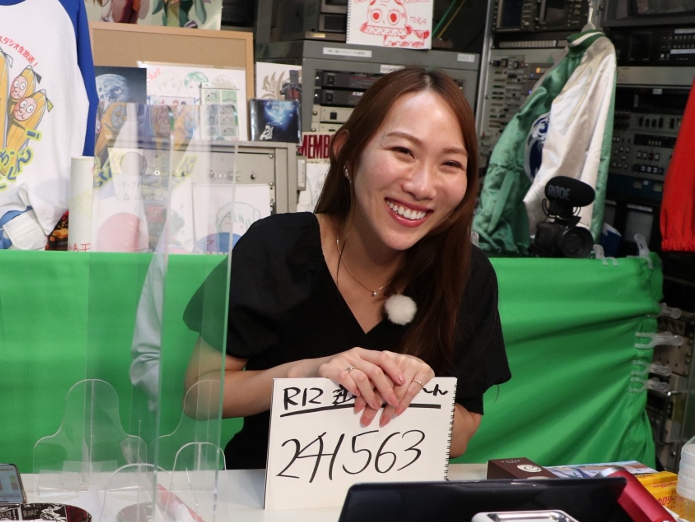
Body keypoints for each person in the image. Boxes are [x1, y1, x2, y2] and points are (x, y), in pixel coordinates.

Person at [183, 67, 511, 469]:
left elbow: (461, 436)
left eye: (450, 164)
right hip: (261, 492)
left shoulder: (466, 273)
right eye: (403, 151)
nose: (423, 186)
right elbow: (198, 395)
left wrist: (419, 393)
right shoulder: (279, 247)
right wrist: (308, 374)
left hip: (394, 497)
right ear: (347, 152)